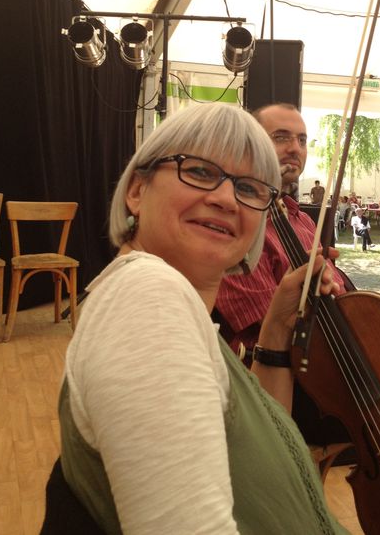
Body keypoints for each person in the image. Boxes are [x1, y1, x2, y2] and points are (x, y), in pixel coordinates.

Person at [40, 103, 349, 535]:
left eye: (248, 187)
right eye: (200, 172)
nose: (225, 198)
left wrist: (277, 327)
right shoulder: (149, 295)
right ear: (136, 191)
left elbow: (259, 446)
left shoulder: (179, 309)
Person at [214, 103, 351, 449]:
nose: (295, 148)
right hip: (288, 381)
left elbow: (341, 295)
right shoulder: (238, 220)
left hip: (336, 364)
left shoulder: (303, 220)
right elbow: (263, 325)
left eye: (302, 140)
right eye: (281, 137)